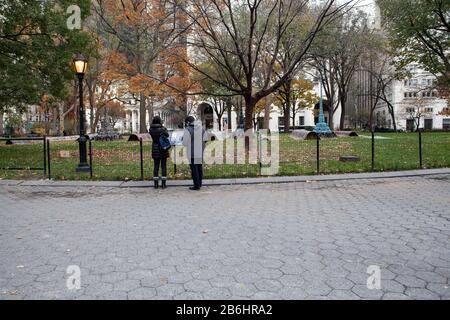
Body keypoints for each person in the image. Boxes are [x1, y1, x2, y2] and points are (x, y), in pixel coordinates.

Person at [183, 116, 206, 191]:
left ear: (188, 122)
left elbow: (185, 143)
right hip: (200, 151)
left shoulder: (188, 130)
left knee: (194, 168)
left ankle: (196, 185)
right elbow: (205, 139)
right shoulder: (201, 129)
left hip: (191, 152)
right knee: (199, 168)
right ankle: (199, 183)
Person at [149, 116, 170, 189]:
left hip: (155, 149)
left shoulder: (150, 129)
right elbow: (167, 135)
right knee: (163, 167)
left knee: (156, 167)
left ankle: (156, 184)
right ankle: (163, 184)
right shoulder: (163, 129)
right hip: (163, 148)